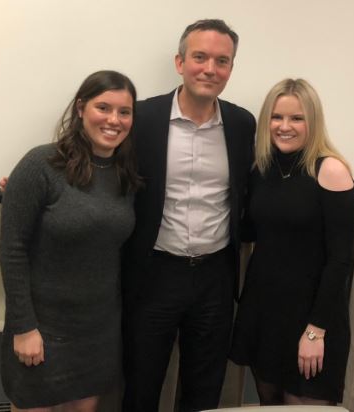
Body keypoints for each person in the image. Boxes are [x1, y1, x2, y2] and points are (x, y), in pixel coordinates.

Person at [122, 19, 256, 412]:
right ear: (180, 62)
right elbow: (99, 155)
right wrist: (43, 175)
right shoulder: (142, 119)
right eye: (200, 57)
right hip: (154, 274)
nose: (210, 69)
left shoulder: (241, 123)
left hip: (215, 276)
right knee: (142, 385)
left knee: (204, 390)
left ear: (231, 68)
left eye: (222, 60)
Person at [0, 70, 139, 411]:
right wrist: (24, 328)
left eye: (124, 112)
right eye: (103, 107)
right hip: (42, 329)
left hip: (98, 331)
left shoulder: (125, 177)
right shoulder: (40, 164)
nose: (113, 120)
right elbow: (12, 250)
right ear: (80, 109)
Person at [230, 78, 354, 406]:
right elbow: (251, 233)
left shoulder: (330, 170)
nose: (284, 126)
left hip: (310, 320)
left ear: (312, 122)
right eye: (276, 117)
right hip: (264, 312)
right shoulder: (261, 169)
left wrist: (316, 331)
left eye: (296, 118)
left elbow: (341, 260)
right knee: (268, 404)